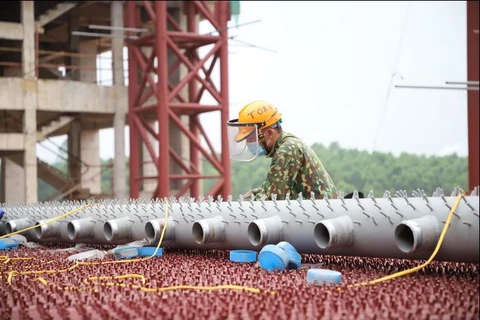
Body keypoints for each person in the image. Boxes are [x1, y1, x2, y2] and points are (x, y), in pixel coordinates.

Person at [227, 100, 338, 200]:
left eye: (251, 137)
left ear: (269, 133)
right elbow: (271, 189)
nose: (248, 143)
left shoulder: (286, 151)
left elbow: (273, 200)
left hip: (321, 218)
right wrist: (252, 195)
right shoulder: (287, 144)